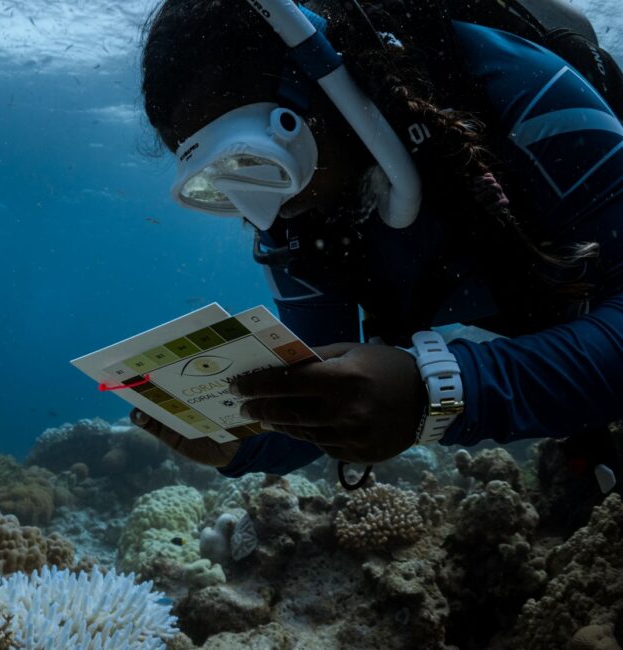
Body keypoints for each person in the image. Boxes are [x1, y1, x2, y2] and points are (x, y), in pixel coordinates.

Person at [132, 0, 623, 490]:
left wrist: (439, 394)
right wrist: (243, 441)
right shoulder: (296, 219)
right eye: (217, 186)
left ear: (326, 81)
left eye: (255, 161)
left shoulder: (525, 94)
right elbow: (330, 394)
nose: (259, 211)